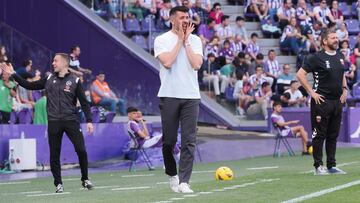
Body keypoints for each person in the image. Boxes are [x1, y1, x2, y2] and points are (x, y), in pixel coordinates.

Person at [1, 53, 94, 192]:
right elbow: (29, 85)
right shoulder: (49, 78)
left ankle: (85, 179)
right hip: (54, 122)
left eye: (56, 61)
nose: (53, 63)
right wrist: (14, 74)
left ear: (64, 63)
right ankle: (58, 183)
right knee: (54, 154)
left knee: (81, 150)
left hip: (71, 121)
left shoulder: (75, 81)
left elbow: (85, 103)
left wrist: (89, 120)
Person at [154, 6, 203, 193]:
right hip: (169, 95)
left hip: (191, 96)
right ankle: (172, 174)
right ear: (172, 19)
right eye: (182, 17)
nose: (185, 20)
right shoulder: (161, 40)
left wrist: (187, 42)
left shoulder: (196, 40)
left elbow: (196, 64)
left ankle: (184, 181)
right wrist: (179, 41)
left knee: (189, 140)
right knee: (169, 141)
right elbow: (167, 62)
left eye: (187, 17)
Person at [297, 29, 347, 175]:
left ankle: (331, 165)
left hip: (337, 101)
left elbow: (342, 73)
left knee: (333, 135)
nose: (336, 40)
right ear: (325, 41)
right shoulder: (315, 57)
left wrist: (344, 89)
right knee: (319, 135)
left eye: (337, 37)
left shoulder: (339, 55)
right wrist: (312, 93)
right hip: (321, 102)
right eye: (333, 38)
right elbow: (300, 75)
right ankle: (318, 166)